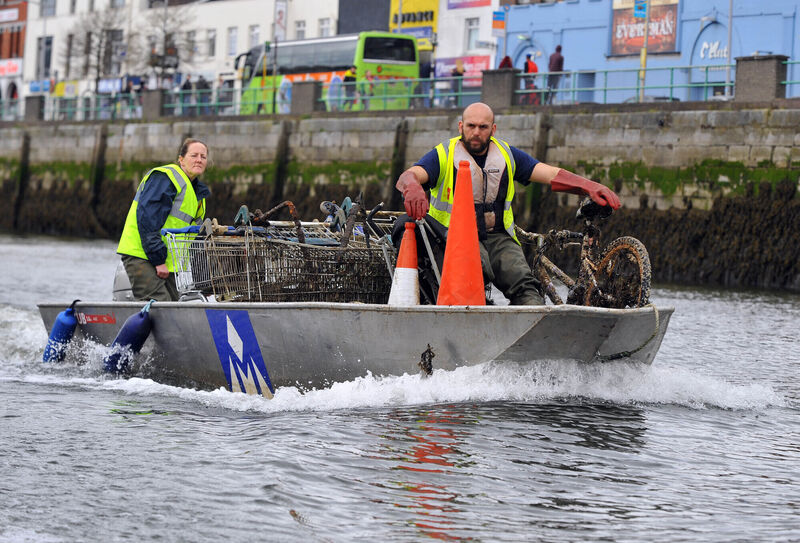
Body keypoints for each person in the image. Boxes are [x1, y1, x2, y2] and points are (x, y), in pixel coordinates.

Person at [394, 102, 620, 305]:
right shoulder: (443, 154)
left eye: (483, 127)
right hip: (454, 238)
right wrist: (412, 187)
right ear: (460, 127)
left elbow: (549, 173)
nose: (476, 132)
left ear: (493, 130)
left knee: (527, 288)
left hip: (498, 237)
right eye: (471, 126)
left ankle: (528, 335)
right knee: (475, 275)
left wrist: (589, 186)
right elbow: (409, 175)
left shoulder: (506, 154)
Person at [117, 138, 212, 301]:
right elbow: (148, 219)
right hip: (143, 256)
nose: (199, 160)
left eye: (203, 157)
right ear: (181, 159)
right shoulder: (167, 177)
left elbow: (194, 239)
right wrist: (158, 259)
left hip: (168, 264)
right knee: (162, 308)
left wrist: (204, 282)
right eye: (194, 155)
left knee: (175, 309)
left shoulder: (198, 195)